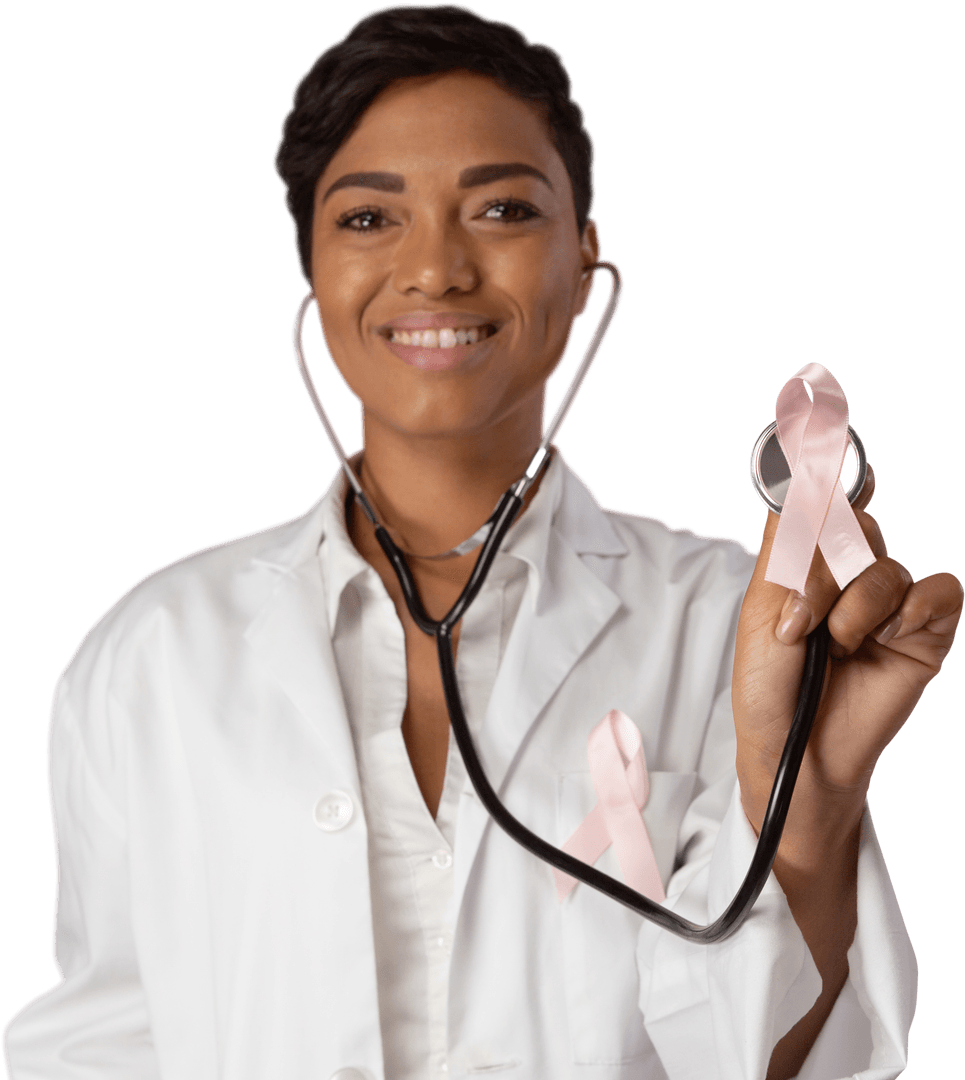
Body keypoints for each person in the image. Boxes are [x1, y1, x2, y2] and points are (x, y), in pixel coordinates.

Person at [2, 5, 961, 1078]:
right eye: (367, 219)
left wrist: (810, 798)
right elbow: (101, 1044)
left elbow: (766, 1062)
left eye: (501, 208)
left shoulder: (728, 622)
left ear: (587, 249)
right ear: (309, 269)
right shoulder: (153, 654)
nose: (435, 270)